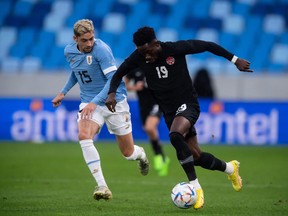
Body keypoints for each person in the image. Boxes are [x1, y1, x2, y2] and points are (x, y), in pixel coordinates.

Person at [105, 26, 253, 209]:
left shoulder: (175, 49)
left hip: (188, 104)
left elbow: (207, 45)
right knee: (196, 156)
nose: (145, 56)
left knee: (175, 135)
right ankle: (230, 168)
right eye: (140, 52)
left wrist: (235, 59)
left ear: (155, 44)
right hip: (168, 111)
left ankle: (195, 187)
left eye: (147, 51)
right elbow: (118, 74)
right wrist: (111, 93)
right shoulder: (139, 56)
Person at [51, 19, 149, 201]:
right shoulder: (69, 51)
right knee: (84, 136)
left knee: (128, 154)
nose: (89, 44)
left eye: (91, 39)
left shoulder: (102, 50)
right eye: (84, 40)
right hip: (89, 102)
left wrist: (94, 102)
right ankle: (102, 186)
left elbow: (113, 80)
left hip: (114, 101)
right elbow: (77, 71)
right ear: (75, 39)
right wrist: (63, 92)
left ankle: (142, 155)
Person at [124, 68, 170, 176]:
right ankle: (163, 157)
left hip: (156, 102)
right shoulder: (134, 69)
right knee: (149, 130)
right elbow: (124, 85)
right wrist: (135, 87)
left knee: (150, 127)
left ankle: (158, 155)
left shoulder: (156, 66)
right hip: (143, 106)